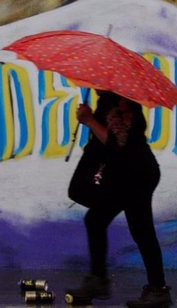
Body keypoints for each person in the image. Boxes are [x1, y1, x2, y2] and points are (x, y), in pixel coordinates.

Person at [69, 90, 171, 308]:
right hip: (124, 174)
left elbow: (117, 143)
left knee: (141, 230)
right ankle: (98, 281)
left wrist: (88, 121)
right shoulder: (108, 99)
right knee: (96, 220)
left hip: (136, 175)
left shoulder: (121, 102)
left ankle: (158, 291)